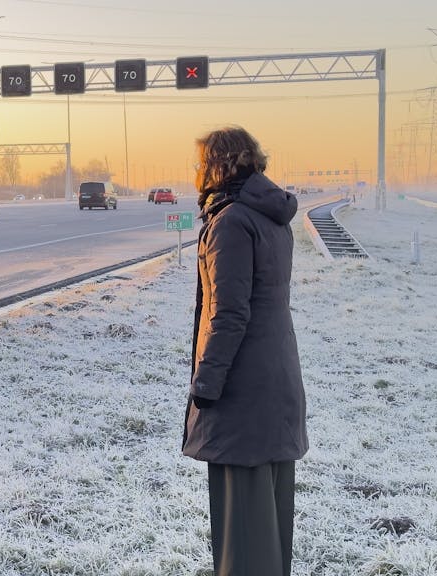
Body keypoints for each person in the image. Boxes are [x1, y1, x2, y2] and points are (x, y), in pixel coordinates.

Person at [182, 126, 308, 576]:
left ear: (219, 165)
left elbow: (229, 314)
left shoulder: (232, 222)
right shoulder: (269, 216)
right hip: (275, 380)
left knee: (242, 529)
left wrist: (206, 385)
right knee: (269, 522)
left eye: (201, 163)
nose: (197, 172)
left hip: (242, 391)